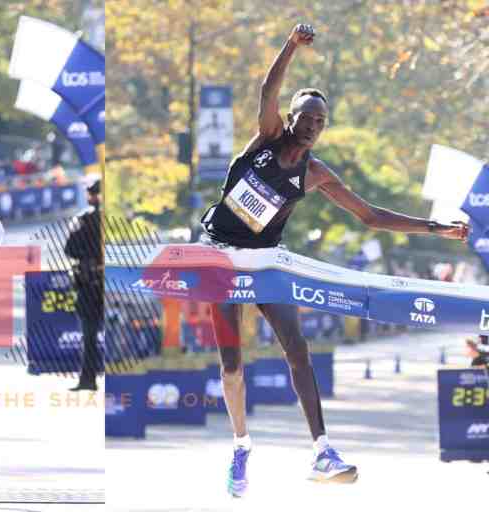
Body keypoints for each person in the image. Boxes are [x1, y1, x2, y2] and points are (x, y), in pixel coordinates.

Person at [199, 23, 469, 497]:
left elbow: (371, 216)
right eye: (307, 116)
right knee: (232, 366)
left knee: (296, 348)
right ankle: (241, 446)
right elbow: (267, 88)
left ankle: (322, 449)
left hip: (264, 263)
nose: (313, 126)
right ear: (291, 117)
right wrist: (292, 46)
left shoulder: (316, 173)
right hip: (221, 257)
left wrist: (436, 227)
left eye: (321, 122)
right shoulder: (266, 139)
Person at [65, 179, 103, 391]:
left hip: (90, 283)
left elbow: (69, 249)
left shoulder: (84, 220)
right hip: (112, 283)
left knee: (90, 334)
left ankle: (88, 379)